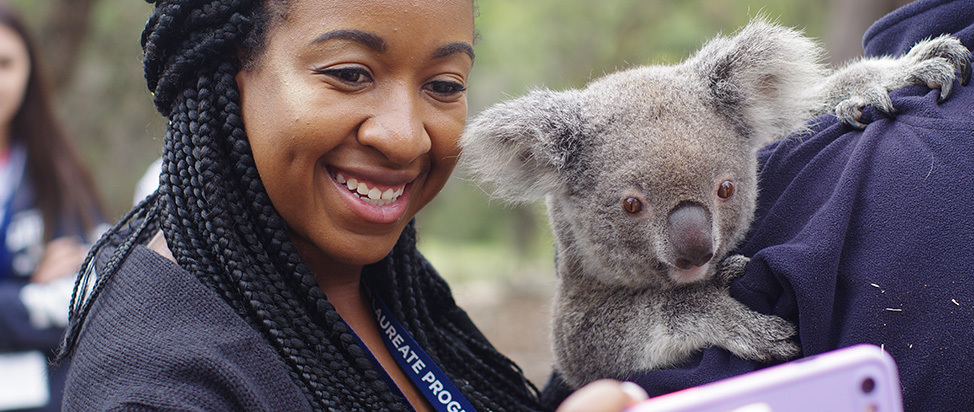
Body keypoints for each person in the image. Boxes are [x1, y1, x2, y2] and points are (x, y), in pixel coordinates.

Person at [57, 0, 645, 411]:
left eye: (443, 84)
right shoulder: (161, 387)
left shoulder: (376, 278)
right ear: (231, 69)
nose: (405, 136)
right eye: (349, 73)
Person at [537, 0, 974, 410]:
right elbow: (578, 349)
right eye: (631, 205)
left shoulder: (730, 120)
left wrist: (881, 76)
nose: (698, 246)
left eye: (724, 190)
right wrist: (697, 314)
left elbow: (798, 116)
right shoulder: (576, 168)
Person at [0, 1, 106, 411]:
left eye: (5, 63)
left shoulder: (59, 174)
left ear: (28, 69)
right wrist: (27, 295)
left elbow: (87, 296)